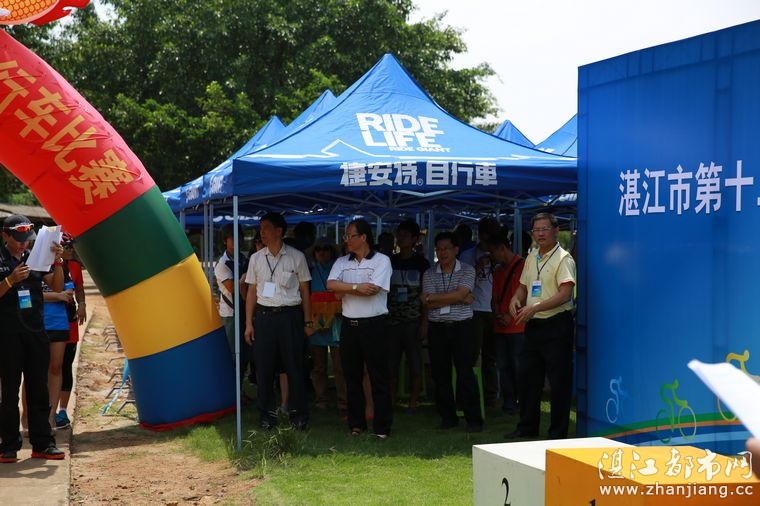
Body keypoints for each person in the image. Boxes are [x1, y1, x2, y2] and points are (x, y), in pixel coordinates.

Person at [0, 215, 66, 462]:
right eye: (18, 240)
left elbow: (57, 287)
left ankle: (42, 443)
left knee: (39, 388)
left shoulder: (34, 258)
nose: (23, 244)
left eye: (26, 239)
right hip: (8, 334)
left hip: (36, 331)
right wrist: (10, 280)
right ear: (5, 235)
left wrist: (57, 262)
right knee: (9, 390)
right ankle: (8, 445)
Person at [506, 212, 576, 440]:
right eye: (536, 230)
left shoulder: (563, 258)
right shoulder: (531, 257)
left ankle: (557, 432)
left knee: (558, 381)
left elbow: (565, 294)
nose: (540, 234)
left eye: (545, 229)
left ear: (556, 231)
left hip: (557, 324)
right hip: (534, 325)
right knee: (527, 377)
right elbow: (523, 286)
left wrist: (535, 307)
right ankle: (527, 427)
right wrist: (515, 298)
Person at [244, 213, 313, 431]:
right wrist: (249, 323)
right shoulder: (256, 258)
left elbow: (305, 290)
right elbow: (252, 291)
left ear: (279, 231)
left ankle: (298, 415)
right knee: (264, 369)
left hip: (290, 316)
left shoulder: (296, 257)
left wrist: (308, 321)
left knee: (294, 366)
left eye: (265, 228)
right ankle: (267, 416)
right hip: (264, 317)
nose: (261, 232)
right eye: (260, 228)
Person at [327, 219, 393, 438]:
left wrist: (344, 289)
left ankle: (382, 427)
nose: (346, 240)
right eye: (346, 236)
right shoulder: (341, 262)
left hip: (375, 325)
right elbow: (331, 285)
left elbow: (372, 290)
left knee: (378, 377)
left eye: (350, 236)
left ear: (363, 237)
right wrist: (356, 287)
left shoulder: (382, 260)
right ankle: (356, 424)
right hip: (349, 325)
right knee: (351, 377)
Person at [421, 231, 483, 433]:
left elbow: (458, 294)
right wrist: (458, 297)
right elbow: (427, 303)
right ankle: (448, 418)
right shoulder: (429, 273)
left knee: (465, 372)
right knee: (440, 374)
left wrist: (435, 297)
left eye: (446, 248)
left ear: (456, 250)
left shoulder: (467, 270)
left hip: (462, 327)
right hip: (437, 328)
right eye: (439, 249)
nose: (442, 253)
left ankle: (473, 419)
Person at [387, 219, 429, 413]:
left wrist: (424, 322)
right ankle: (391, 400)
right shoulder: (390, 261)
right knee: (391, 364)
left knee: (415, 364)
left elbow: (426, 295)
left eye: (405, 235)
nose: (401, 238)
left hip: (413, 320)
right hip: (392, 320)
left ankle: (413, 401)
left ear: (414, 239)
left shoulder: (422, 263)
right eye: (399, 235)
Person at [459, 217, 501, 407]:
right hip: (474, 309)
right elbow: (462, 283)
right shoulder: (468, 255)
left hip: (493, 309)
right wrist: (479, 265)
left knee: (491, 356)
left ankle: (491, 396)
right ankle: (471, 394)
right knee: (473, 354)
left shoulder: (499, 253)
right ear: (482, 236)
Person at [486, 228, 526, 415]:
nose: (491, 256)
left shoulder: (524, 266)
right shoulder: (498, 271)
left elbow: (529, 295)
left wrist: (511, 316)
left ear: (502, 248)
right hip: (500, 326)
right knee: (503, 366)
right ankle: (509, 403)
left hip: (518, 327)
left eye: (492, 252)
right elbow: (494, 298)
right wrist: (497, 314)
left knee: (519, 366)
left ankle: (523, 401)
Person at [308, 237, 347, 414]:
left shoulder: (339, 269)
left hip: (337, 322)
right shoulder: (310, 270)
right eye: (318, 249)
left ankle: (343, 401)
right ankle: (321, 399)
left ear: (332, 251)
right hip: (316, 322)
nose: (322, 252)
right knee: (319, 367)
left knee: (340, 366)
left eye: (326, 248)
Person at [214, 223, 253, 388]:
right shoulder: (222, 264)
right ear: (225, 241)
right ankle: (230, 392)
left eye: (240, 237)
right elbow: (233, 288)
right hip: (231, 314)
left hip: (245, 312)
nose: (237, 241)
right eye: (232, 238)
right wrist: (245, 280)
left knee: (244, 355)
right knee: (232, 355)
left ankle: (239, 391)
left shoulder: (244, 259)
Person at [56, 233, 86, 429]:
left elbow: (79, 288)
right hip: (50, 323)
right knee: (52, 367)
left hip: (70, 322)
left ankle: (62, 411)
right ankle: (47, 408)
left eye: (72, 246)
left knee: (66, 365)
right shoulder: (44, 266)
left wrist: (82, 304)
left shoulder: (74, 266)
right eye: (68, 246)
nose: (72, 250)